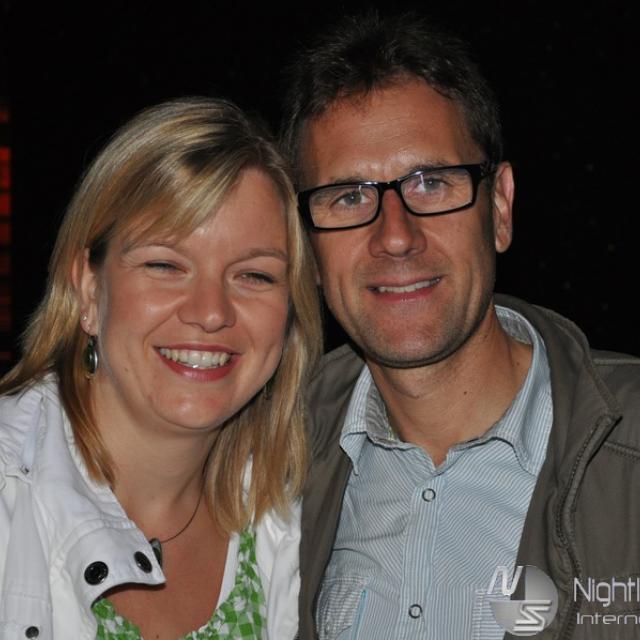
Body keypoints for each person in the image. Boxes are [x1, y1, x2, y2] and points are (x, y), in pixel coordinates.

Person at [281, 12, 640, 640]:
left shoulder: (628, 450)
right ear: (306, 245)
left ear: (499, 207)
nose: (395, 236)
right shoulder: (265, 464)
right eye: (348, 196)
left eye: (431, 183)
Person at [0, 97, 321, 639]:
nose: (211, 312)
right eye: (165, 265)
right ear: (88, 288)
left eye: (254, 276)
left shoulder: (298, 516)